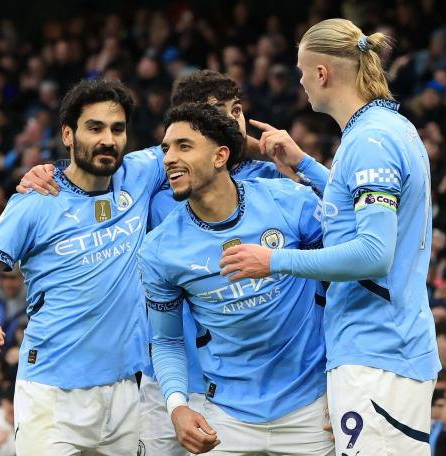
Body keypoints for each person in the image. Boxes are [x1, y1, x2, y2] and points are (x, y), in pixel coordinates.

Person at [17, 70, 326, 456]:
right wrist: (52, 173)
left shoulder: (275, 185)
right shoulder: (160, 185)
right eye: (217, 114)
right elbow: (93, 172)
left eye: (236, 112)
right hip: (169, 381)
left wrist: (294, 159)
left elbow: (352, 235)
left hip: (262, 390)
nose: (232, 122)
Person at [220, 19, 440, 455]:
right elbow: (355, 215)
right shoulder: (388, 128)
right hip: (389, 347)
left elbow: (374, 253)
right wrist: (306, 165)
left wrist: (275, 262)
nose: (300, 83)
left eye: (302, 72)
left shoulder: (369, 141)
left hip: (377, 352)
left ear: (321, 73)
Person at [0, 78, 165, 454]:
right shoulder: (36, 200)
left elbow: (203, 144)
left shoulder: (141, 173)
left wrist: (270, 149)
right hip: (52, 394)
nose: (108, 139)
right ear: (68, 134)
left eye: (117, 129)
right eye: (94, 127)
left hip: (124, 391)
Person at [138, 103, 332, 455]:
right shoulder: (160, 249)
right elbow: (166, 340)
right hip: (226, 418)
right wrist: (177, 405)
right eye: (166, 148)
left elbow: (347, 276)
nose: (168, 158)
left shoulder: (289, 201)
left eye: (184, 146)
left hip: (312, 411)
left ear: (220, 156)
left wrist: (343, 382)